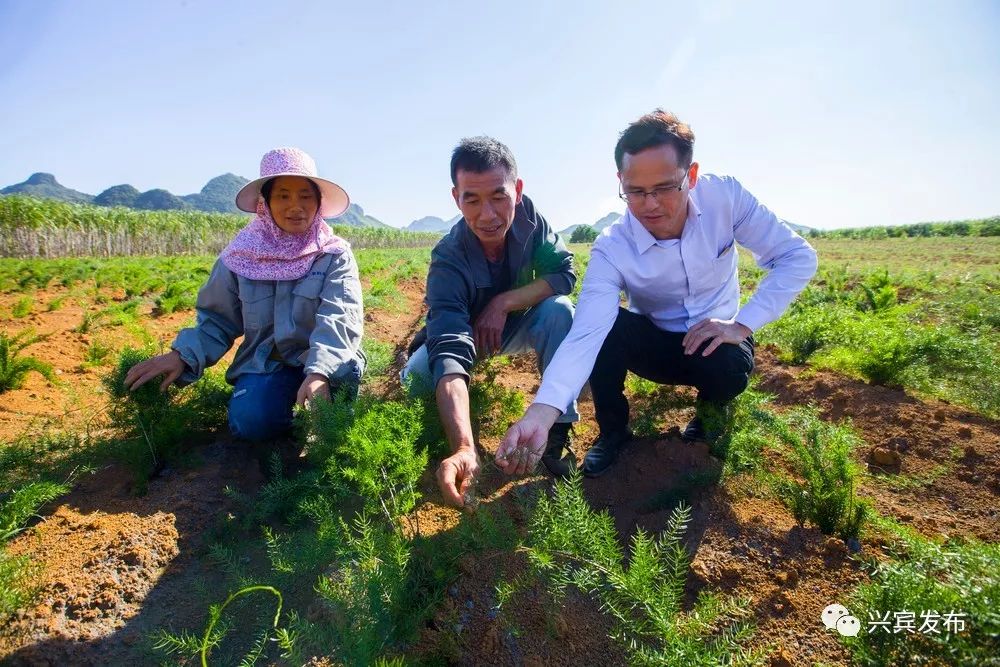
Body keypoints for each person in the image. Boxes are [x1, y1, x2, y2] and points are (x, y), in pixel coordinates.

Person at [497, 109, 818, 477]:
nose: (649, 204)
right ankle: (613, 433)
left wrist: (742, 325)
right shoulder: (612, 246)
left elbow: (797, 256)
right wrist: (542, 410)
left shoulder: (725, 198)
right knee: (605, 327)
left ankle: (710, 415)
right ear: (621, 180)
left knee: (728, 368)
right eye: (635, 191)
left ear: (691, 175)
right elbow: (585, 334)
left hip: (715, 342)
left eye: (665, 188)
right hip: (654, 344)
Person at [125, 147, 366, 452]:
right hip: (268, 363)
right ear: (264, 203)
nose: (296, 206)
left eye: (305, 196)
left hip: (322, 359)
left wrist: (319, 374)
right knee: (250, 421)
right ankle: (290, 416)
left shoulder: (333, 254)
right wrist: (180, 356)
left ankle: (327, 415)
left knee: (340, 384)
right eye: (283, 196)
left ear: (318, 202)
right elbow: (218, 321)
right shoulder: (239, 257)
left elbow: (340, 317)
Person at [401, 136, 578, 507]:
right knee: (419, 378)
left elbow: (563, 274)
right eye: (472, 199)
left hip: (514, 326)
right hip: (465, 336)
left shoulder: (532, 223)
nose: (487, 215)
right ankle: (455, 421)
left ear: (518, 190)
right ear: (456, 198)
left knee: (560, 310)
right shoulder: (448, 258)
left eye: (499, 196)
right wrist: (464, 446)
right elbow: (449, 346)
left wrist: (503, 302)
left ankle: (557, 431)